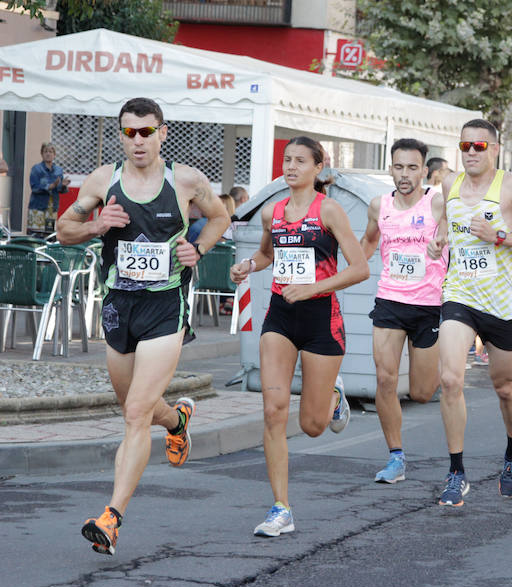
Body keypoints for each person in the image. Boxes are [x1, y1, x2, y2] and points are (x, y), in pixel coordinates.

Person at [56, 97, 230, 555]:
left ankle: (111, 518)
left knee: (135, 412)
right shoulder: (102, 180)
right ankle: (177, 419)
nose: (138, 141)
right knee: (135, 405)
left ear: (162, 133)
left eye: (146, 132)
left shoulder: (184, 179)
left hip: (163, 308)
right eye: (130, 132)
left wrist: (200, 249)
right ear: (121, 135)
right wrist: (96, 226)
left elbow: (220, 216)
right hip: (118, 308)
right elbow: (62, 231)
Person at [229, 136, 368, 537]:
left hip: (322, 319)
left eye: (300, 161)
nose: (291, 167)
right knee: (273, 410)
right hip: (280, 317)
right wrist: (247, 266)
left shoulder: (331, 211)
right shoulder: (273, 214)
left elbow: (359, 268)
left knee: (311, 425)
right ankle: (281, 508)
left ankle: (334, 397)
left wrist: (313, 289)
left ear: (318, 168)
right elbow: (267, 256)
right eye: (286, 160)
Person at [430, 118, 512, 506]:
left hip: (501, 304)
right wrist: (439, 241)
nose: (470, 152)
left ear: (495, 149)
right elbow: (446, 226)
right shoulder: (449, 184)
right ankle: (456, 472)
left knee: (504, 388)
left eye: (479, 147)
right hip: (459, 294)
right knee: (450, 379)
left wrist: (500, 236)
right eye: (465, 145)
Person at [359, 138, 447, 484]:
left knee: (423, 392)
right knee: (385, 378)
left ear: (425, 171)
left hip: (428, 304)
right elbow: (368, 240)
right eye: (399, 167)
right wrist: (352, 266)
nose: (405, 174)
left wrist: (442, 243)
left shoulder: (437, 203)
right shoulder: (378, 205)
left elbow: (450, 232)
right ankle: (395, 456)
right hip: (390, 301)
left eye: (412, 167)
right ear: (390, 168)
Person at [28, 142, 70, 237]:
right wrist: (49, 186)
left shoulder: (59, 170)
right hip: (38, 208)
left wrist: (63, 185)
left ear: (54, 155)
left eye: (51, 152)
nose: (48, 154)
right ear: (42, 154)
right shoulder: (36, 169)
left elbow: (60, 190)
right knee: (36, 236)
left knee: (50, 236)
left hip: (52, 209)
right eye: (45, 151)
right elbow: (34, 188)